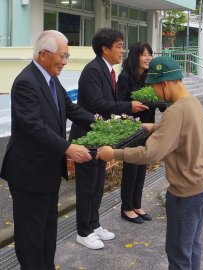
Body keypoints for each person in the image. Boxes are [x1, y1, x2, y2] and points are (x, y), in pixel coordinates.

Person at [97, 56, 203, 270]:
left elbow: (150, 153)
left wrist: (114, 152)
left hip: (186, 193)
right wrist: (156, 127)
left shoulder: (174, 112)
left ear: (164, 83)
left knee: (178, 253)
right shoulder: (192, 103)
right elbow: (183, 133)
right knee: (192, 246)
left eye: (154, 87)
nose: (154, 93)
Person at [0, 30, 95, 270]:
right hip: (28, 172)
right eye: (62, 56)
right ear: (43, 54)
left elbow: (71, 109)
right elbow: (33, 126)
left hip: (48, 169)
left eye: (67, 55)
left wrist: (104, 123)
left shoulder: (51, 79)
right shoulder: (25, 82)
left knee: (48, 227)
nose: (65, 61)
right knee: (31, 232)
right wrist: (68, 147)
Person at [69, 28, 148, 250]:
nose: (123, 51)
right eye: (119, 46)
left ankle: (94, 224)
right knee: (87, 186)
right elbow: (96, 105)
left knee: (97, 184)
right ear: (105, 48)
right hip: (88, 136)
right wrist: (128, 106)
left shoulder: (108, 71)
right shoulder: (93, 71)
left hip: (101, 137)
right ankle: (83, 231)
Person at [117, 42, 154, 224]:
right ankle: (126, 208)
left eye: (150, 54)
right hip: (131, 128)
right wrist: (133, 108)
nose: (148, 58)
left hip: (148, 127)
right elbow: (120, 105)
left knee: (142, 166)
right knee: (131, 167)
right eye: (144, 54)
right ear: (135, 56)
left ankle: (137, 205)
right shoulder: (125, 77)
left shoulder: (149, 77)